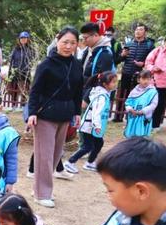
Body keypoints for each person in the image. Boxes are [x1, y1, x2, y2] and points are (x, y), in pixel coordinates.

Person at [26, 26, 83, 208]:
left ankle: (39, 188)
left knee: (57, 153)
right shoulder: (47, 64)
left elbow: (78, 90)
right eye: (65, 42)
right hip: (45, 116)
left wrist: (76, 113)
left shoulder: (76, 64)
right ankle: (42, 193)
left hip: (65, 114)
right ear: (57, 41)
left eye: (72, 43)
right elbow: (35, 90)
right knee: (45, 155)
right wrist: (32, 113)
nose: (68, 46)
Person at [65, 71, 117, 173]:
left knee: (98, 143)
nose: (115, 84)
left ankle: (90, 162)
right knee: (87, 146)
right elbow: (96, 113)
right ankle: (70, 162)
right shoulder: (101, 97)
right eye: (113, 82)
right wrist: (97, 126)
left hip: (92, 125)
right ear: (105, 84)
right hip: (90, 126)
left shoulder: (103, 94)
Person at [114, 23, 155, 123]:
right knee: (123, 93)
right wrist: (123, 55)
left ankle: (132, 116)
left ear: (145, 32)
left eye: (140, 29)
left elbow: (152, 61)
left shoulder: (150, 45)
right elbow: (118, 60)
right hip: (126, 73)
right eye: (136, 29)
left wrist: (143, 64)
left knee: (137, 95)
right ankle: (118, 115)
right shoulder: (128, 44)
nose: (138, 31)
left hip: (141, 75)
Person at [145, 34, 166, 129]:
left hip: (165, 84)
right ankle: (145, 123)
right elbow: (148, 62)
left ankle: (155, 125)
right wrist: (153, 68)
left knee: (160, 105)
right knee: (149, 103)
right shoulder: (158, 50)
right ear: (165, 42)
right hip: (153, 82)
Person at [79, 22, 115, 100]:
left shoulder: (105, 53)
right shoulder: (89, 49)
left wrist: (86, 99)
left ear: (95, 35)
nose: (84, 41)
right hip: (84, 91)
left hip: (93, 97)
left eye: (85, 38)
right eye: (82, 38)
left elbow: (101, 79)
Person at [124, 70, 159, 138]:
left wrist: (142, 111)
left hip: (144, 118)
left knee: (142, 138)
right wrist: (131, 110)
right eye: (143, 79)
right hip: (133, 117)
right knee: (131, 137)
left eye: (148, 79)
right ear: (138, 80)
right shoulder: (134, 91)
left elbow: (153, 105)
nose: (146, 81)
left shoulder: (153, 92)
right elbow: (128, 102)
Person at [8, 31, 34, 106]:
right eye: (21, 38)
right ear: (19, 39)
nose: (23, 39)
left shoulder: (30, 49)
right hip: (16, 71)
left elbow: (32, 61)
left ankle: (23, 104)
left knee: (25, 89)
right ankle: (13, 104)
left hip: (25, 72)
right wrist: (10, 72)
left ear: (28, 39)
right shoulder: (15, 49)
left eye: (25, 38)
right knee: (14, 88)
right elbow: (11, 60)